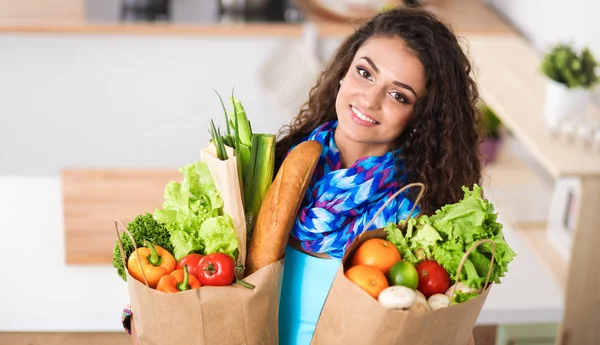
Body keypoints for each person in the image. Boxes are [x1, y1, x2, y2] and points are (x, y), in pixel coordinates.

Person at [122, 6, 483, 345]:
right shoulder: (270, 169)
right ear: (344, 71)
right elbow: (191, 267)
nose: (370, 99)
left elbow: (443, 326)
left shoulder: (417, 215)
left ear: (421, 117)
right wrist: (149, 316)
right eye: (364, 72)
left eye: (398, 95)